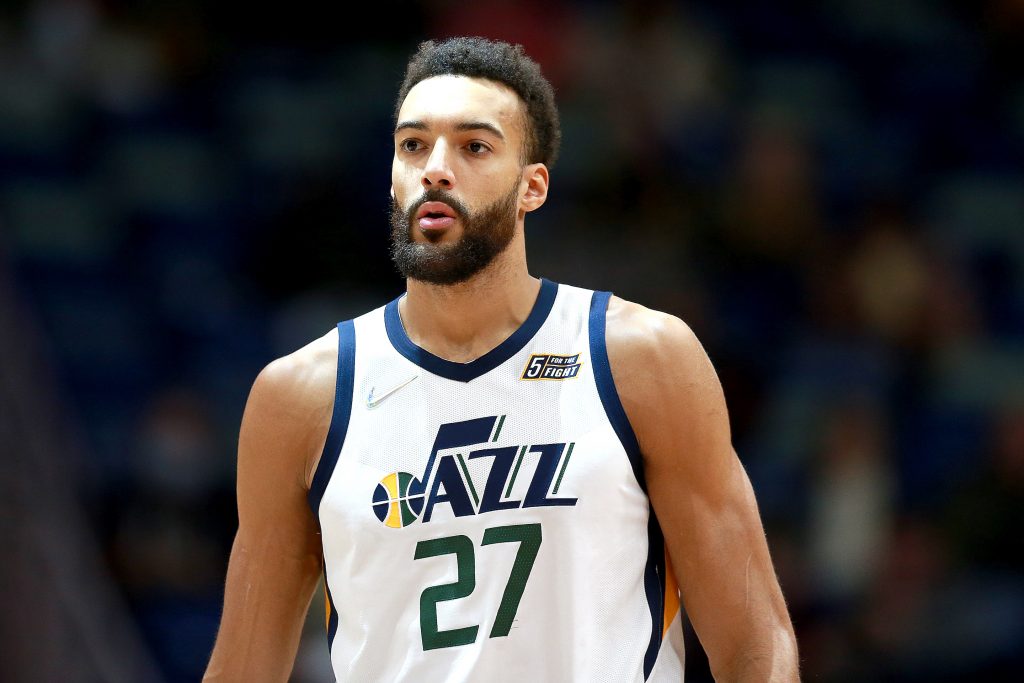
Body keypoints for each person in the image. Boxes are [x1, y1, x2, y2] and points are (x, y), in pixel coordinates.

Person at [204, 37, 798, 682]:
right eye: (413, 145)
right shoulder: (301, 397)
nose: (435, 168)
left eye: (474, 146)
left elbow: (756, 644)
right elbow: (243, 668)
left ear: (531, 187)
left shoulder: (641, 358)